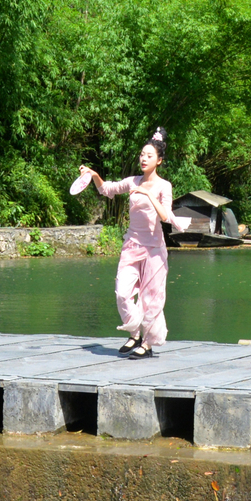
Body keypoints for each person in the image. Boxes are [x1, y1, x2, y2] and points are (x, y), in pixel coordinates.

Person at [79, 128, 174, 360]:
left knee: (152, 298)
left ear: (159, 161)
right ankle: (134, 332)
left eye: (149, 155)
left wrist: (149, 195)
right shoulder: (132, 181)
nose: (143, 158)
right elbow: (106, 189)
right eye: (142, 154)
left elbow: (166, 217)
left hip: (154, 249)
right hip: (132, 244)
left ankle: (148, 343)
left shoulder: (164, 186)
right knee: (123, 293)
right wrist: (93, 175)